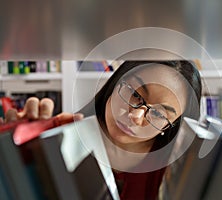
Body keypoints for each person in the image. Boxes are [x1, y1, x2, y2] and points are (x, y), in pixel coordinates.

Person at [4, 60, 202, 200]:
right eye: (134, 94)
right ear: (116, 82)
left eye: (159, 115)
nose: (136, 116)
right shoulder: (56, 136)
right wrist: (14, 137)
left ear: (172, 126)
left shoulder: (175, 175)